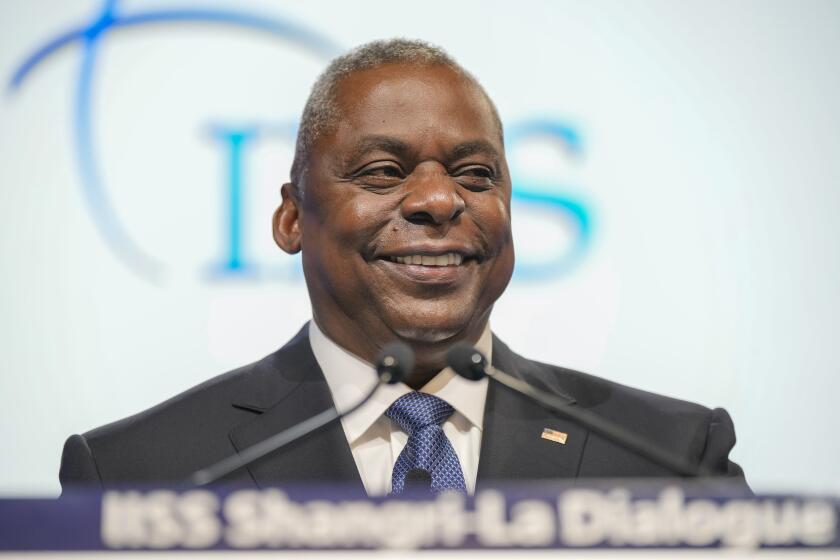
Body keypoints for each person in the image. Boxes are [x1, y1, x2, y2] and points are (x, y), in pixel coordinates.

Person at [59, 39, 747, 495]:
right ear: (292, 217)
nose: (440, 200)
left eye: (475, 174)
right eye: (384, 172)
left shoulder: (670, 458)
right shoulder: (140, 475)